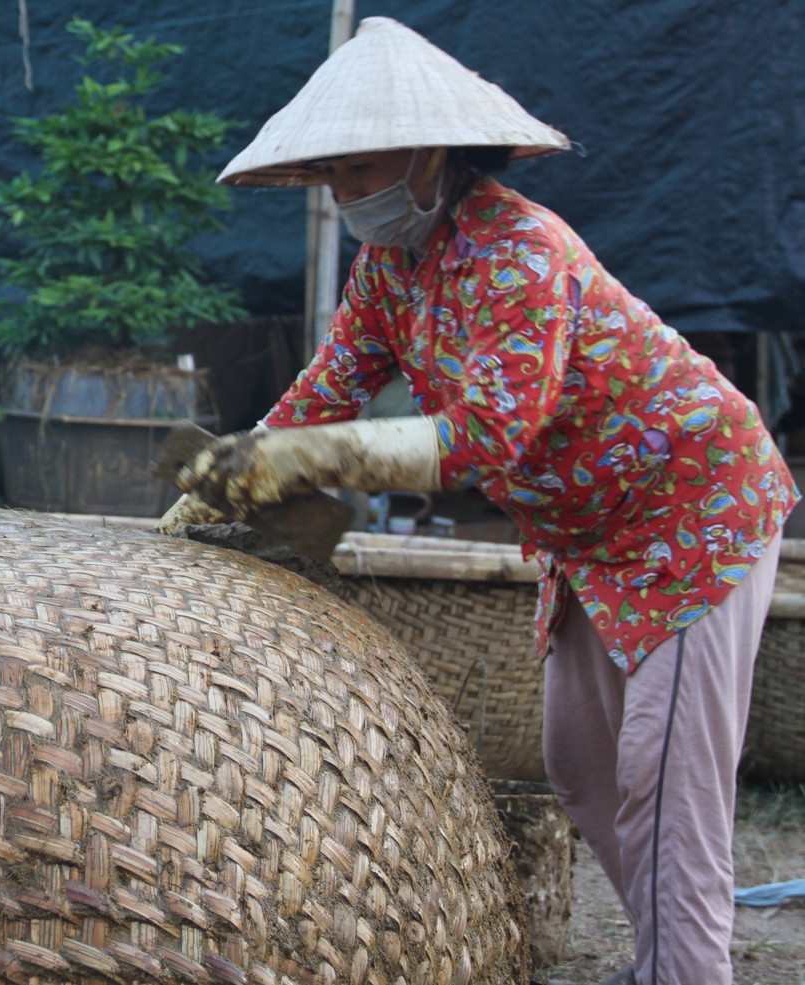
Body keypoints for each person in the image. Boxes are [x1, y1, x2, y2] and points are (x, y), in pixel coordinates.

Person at [158, 17, 797, 985]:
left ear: (427, 156)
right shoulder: (391, 267)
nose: (345, 193)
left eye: (357, 168)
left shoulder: (517, 250)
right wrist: (227, 475)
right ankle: (667, 952)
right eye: (329, 176)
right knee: (582, 767)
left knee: (664, 783)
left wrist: (302, 460)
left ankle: (688, 971)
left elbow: (490, 435)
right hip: (589, 530)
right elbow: (326, 388)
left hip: (692, 507)